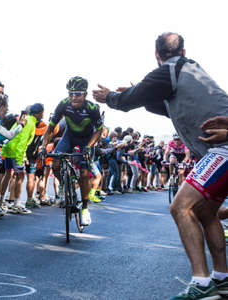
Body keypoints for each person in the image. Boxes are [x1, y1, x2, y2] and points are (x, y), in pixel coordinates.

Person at [93, 32, 228, 299]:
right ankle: (221, 278)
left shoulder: (168, 70)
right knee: (206, 212)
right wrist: (137, 94)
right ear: (185, 51)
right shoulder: (189, 71)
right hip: (219, 150)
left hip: (222, 150)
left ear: (157, 55)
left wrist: (111, 97)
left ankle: (201, 284)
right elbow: (167, 105)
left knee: (181, 206)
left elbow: (132, 100)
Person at [42, 76, 103, 226]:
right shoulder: (63, 105)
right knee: (55, 164)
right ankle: (64, 186)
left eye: (78, 94)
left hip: (87, 140)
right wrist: (43, 146)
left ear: (85, 94)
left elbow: (99, 131)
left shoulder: (92, 108)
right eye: (71, 94)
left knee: (83, 174)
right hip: (69, 137)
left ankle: (85, 208)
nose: (73, 97)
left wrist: (89, 146)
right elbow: (51, 128)